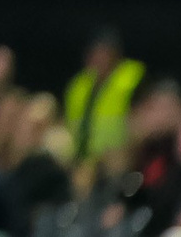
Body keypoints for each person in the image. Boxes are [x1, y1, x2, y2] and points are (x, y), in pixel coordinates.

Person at [63, 29, 147, 166]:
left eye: (104, 53)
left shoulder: (133, 78)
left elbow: (142, 119)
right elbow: (69, 123)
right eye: (95, 53)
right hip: (80, 159)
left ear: (116, 55)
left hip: (118, 158)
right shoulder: (79, 85)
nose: (99, 58)